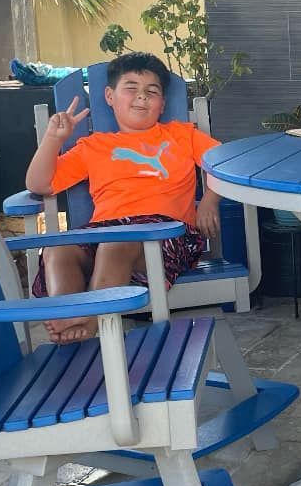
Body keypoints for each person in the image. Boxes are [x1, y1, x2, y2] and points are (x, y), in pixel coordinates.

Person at [24, 51, 221, 344]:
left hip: (164, 235)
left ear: (163, 104)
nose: (141, 97)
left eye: (151, 92)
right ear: (109, 96)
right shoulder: (94, 146)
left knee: (115, 245)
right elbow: (39, 184)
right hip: (105, 232)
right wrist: (54, 140)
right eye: (131, 88)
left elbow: (224, 163)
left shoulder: (181, 135)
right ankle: (68, 316)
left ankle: (89, 320)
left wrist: (209, 200)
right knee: (58, 250)